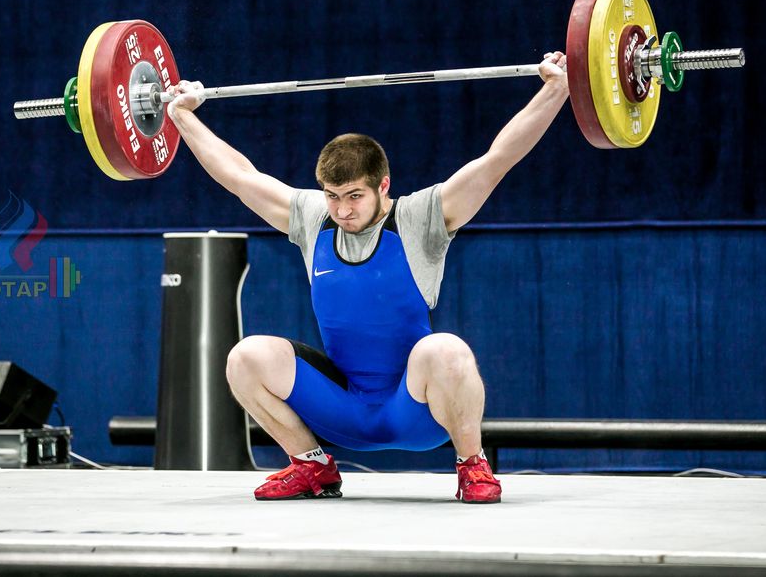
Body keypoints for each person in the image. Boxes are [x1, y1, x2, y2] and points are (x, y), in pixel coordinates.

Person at [165, 51, 569, 503]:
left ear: (383, 185)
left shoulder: (420, 218)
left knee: (447, 350)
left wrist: (556, 90)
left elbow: (498, 159)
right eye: (332, 196)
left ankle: (472, 465)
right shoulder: (314, 218)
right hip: (344, 412)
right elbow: (240, 176)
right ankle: (312, 467)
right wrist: (182, 117)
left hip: (416, 412)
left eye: (354, 196)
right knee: (245, 357)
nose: (342, 210)